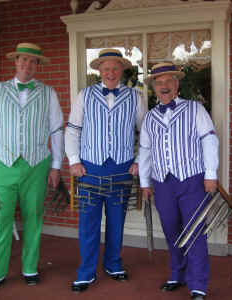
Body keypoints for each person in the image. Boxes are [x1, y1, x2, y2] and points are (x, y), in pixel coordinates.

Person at [0, 43, 64, 296]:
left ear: (38, 66)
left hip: (37, 165)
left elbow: (56, 130)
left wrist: (56, 166)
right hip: (3, 164)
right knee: (0, 220)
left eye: (32, 62)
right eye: (23, 60)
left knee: (33, 217)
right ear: (16, 62)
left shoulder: (48, 93)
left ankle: (30, 268)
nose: (27, 65)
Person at [65, 48, 147, 293]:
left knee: (116, 221)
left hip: (122, 168)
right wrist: (73, 160)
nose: (110, 73)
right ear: (99, 70)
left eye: (115, 68)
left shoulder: (136, 96)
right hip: (89, 168)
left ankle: (113, 264)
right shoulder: (85, 95)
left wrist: (140, 160)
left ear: (122, 70)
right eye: (106, 68)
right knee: (88, 224)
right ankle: (86, 272)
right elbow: (72, 129)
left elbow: (146, 132)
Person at [139, 62, 219, 300]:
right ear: (154, 87)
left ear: (177, 84)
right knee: (171, 230)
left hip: (192, 180)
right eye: (159, 82)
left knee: (194, 231)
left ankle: (198, 284)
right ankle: (177, 273)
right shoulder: (150, 118)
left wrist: (211, 174)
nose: (163, 86)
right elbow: (145, 151)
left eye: (168, 81)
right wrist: (145, 182)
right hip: (162, 182)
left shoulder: (196, 109)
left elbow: (209, 142)